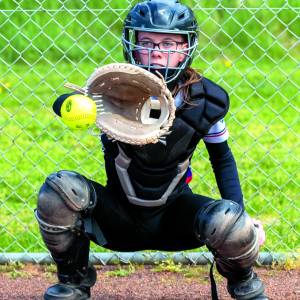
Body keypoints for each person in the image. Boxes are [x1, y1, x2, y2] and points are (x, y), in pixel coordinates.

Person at [35, 0, 268, 299]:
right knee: (59, 191)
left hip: (175, 217)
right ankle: (73, 281)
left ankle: (244, 284)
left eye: (169, 43)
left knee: (228, 218)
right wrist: (70, 105)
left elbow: (222, 157)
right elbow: (63, 102)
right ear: (132, 44)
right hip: (118, 217)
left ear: (186, 48)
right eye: (147, 42)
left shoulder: (204, 99)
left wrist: (243, 220)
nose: (157, 51)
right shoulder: (112, 91)